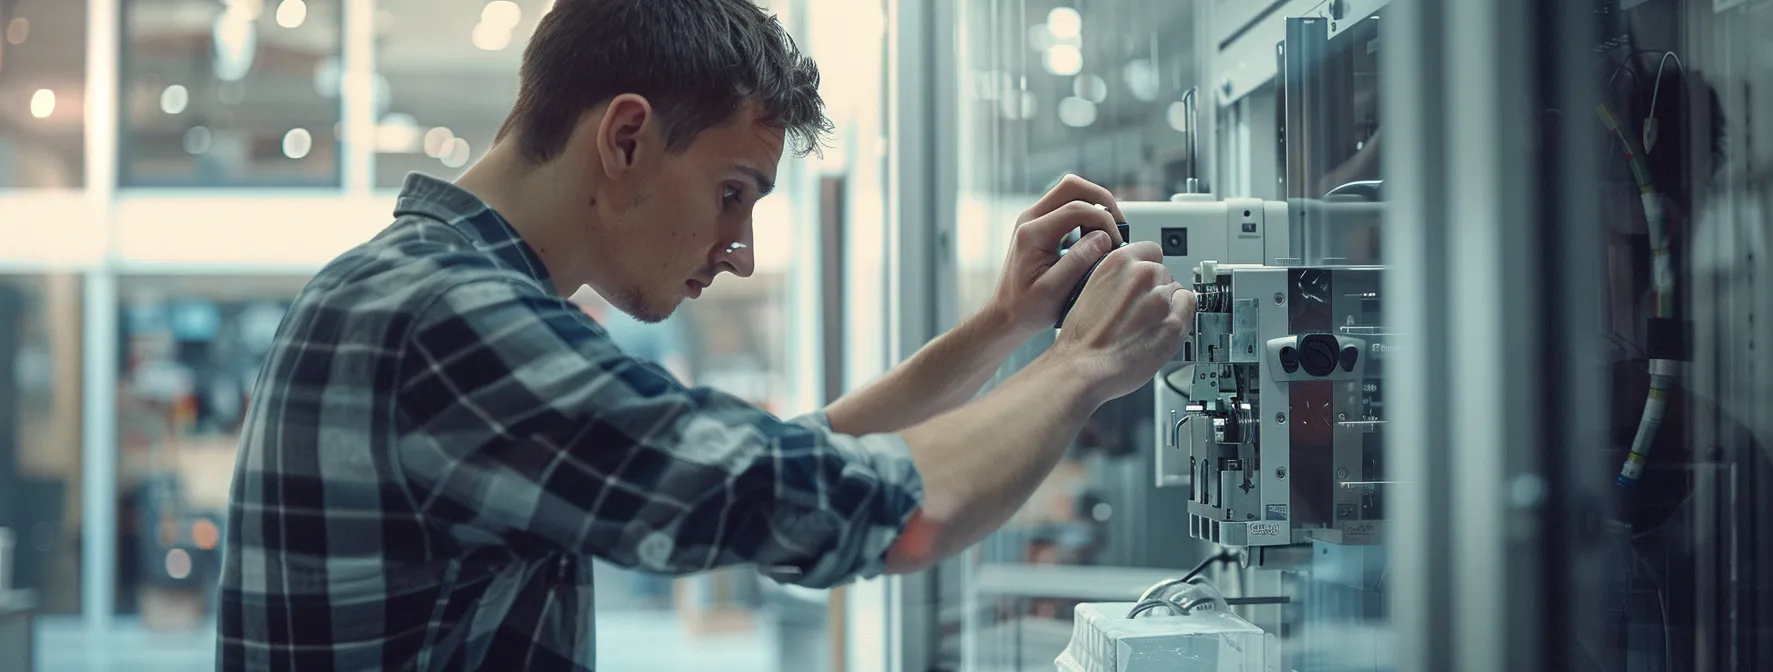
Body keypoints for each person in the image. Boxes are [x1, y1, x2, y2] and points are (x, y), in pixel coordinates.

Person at [215, 0, 1194, 669]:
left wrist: (1003, 328)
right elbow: (825, 507)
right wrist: (1082, 367)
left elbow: (762, 458)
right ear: (626, 137)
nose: (740, 254)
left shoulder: (418, 291)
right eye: (734, 195)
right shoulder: (444, 320)